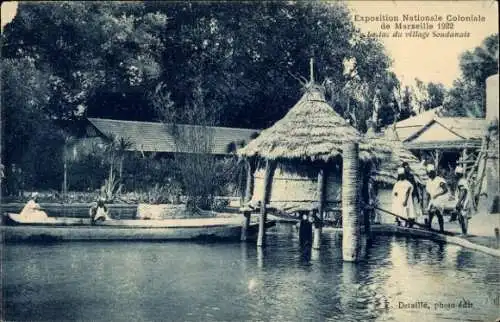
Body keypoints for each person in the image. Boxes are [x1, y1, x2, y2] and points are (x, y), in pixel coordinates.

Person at [425, 164, 448, 232]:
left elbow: (445, 190)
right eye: (428, 173)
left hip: (440, 198)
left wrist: (437, 194)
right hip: (433, 199)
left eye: (430, 173)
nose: (429, 175)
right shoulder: (428, 181)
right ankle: (429, 225)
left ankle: (441, 229)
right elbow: (428, 193)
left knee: (438, 213)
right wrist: (427, 202)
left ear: (433, 172)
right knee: (430, 212)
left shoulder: (439, 180)